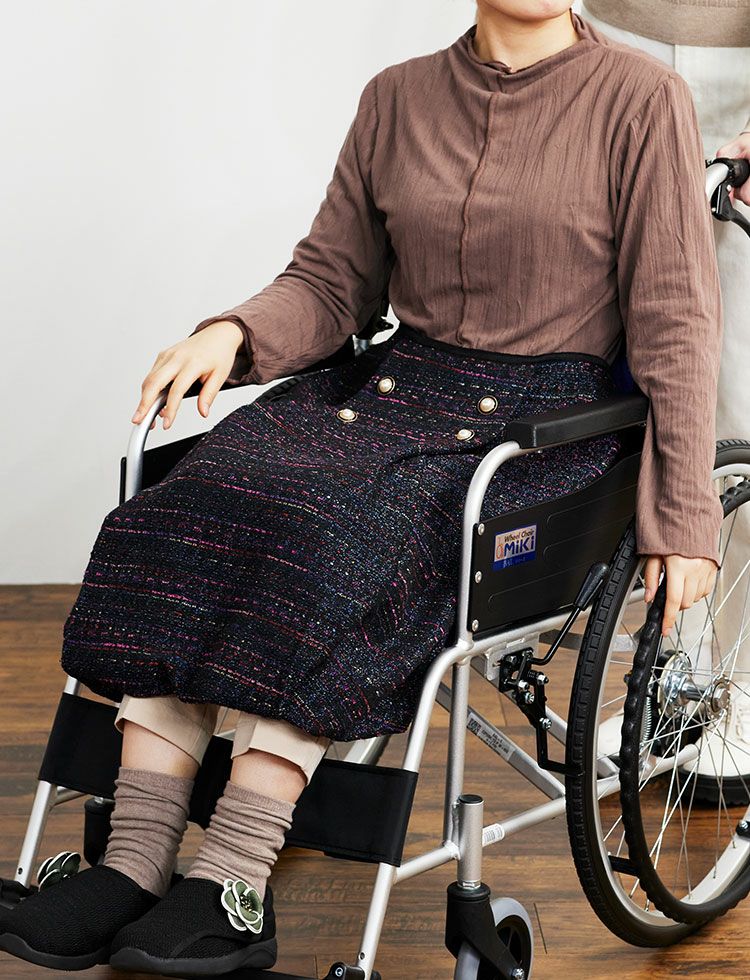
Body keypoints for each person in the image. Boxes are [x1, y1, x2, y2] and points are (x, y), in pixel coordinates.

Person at [0, 2, 726, 975]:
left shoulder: (642, 100)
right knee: (193, 498)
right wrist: (234, 332)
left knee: (336, 535)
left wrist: (684, 513)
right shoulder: (398, 98)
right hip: (393, 391)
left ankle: (233, 879)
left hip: (540, 430)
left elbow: (675, 316)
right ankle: (133, 860)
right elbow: (333, 280)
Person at [578, 0, 750, 782]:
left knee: (738, 403)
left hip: (739, 68)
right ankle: (677, 680)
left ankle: (743, 692)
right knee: (651, 395)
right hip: (612, 45)